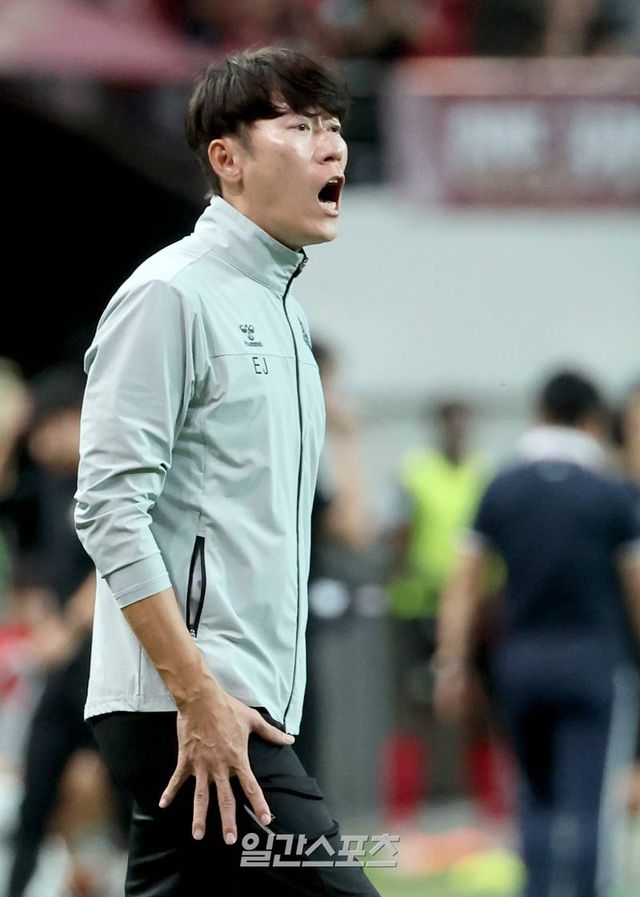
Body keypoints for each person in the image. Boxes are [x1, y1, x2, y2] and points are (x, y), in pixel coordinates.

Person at [74, 47, 381, 896]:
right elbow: (107, 508)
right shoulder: (170, 293)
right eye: (301, 126)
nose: (332, 147)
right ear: (228, 158)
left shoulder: (282, 310)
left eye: (334, 127)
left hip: (239, 700)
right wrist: (197, 693)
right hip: (193, 702)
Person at [434, 370, 640, 897]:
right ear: (593, 420)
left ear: (539, 413)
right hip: (593, 662)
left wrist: (452, 662)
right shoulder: (611, 493)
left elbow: (463, 583)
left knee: (533, 797)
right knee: (589, 803)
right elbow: (635, 588)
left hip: (522, 663)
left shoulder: (502, 487)